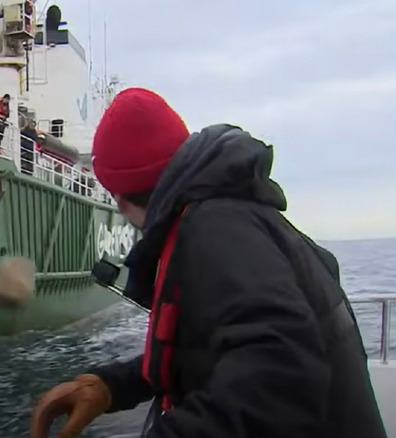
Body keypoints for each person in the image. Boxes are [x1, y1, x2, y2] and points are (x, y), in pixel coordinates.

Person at [29, 88, 387, 438]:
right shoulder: (231, 216)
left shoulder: (215, 231)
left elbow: (279, 376)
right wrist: (112, 386)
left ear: (120, 199)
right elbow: (214, 355)